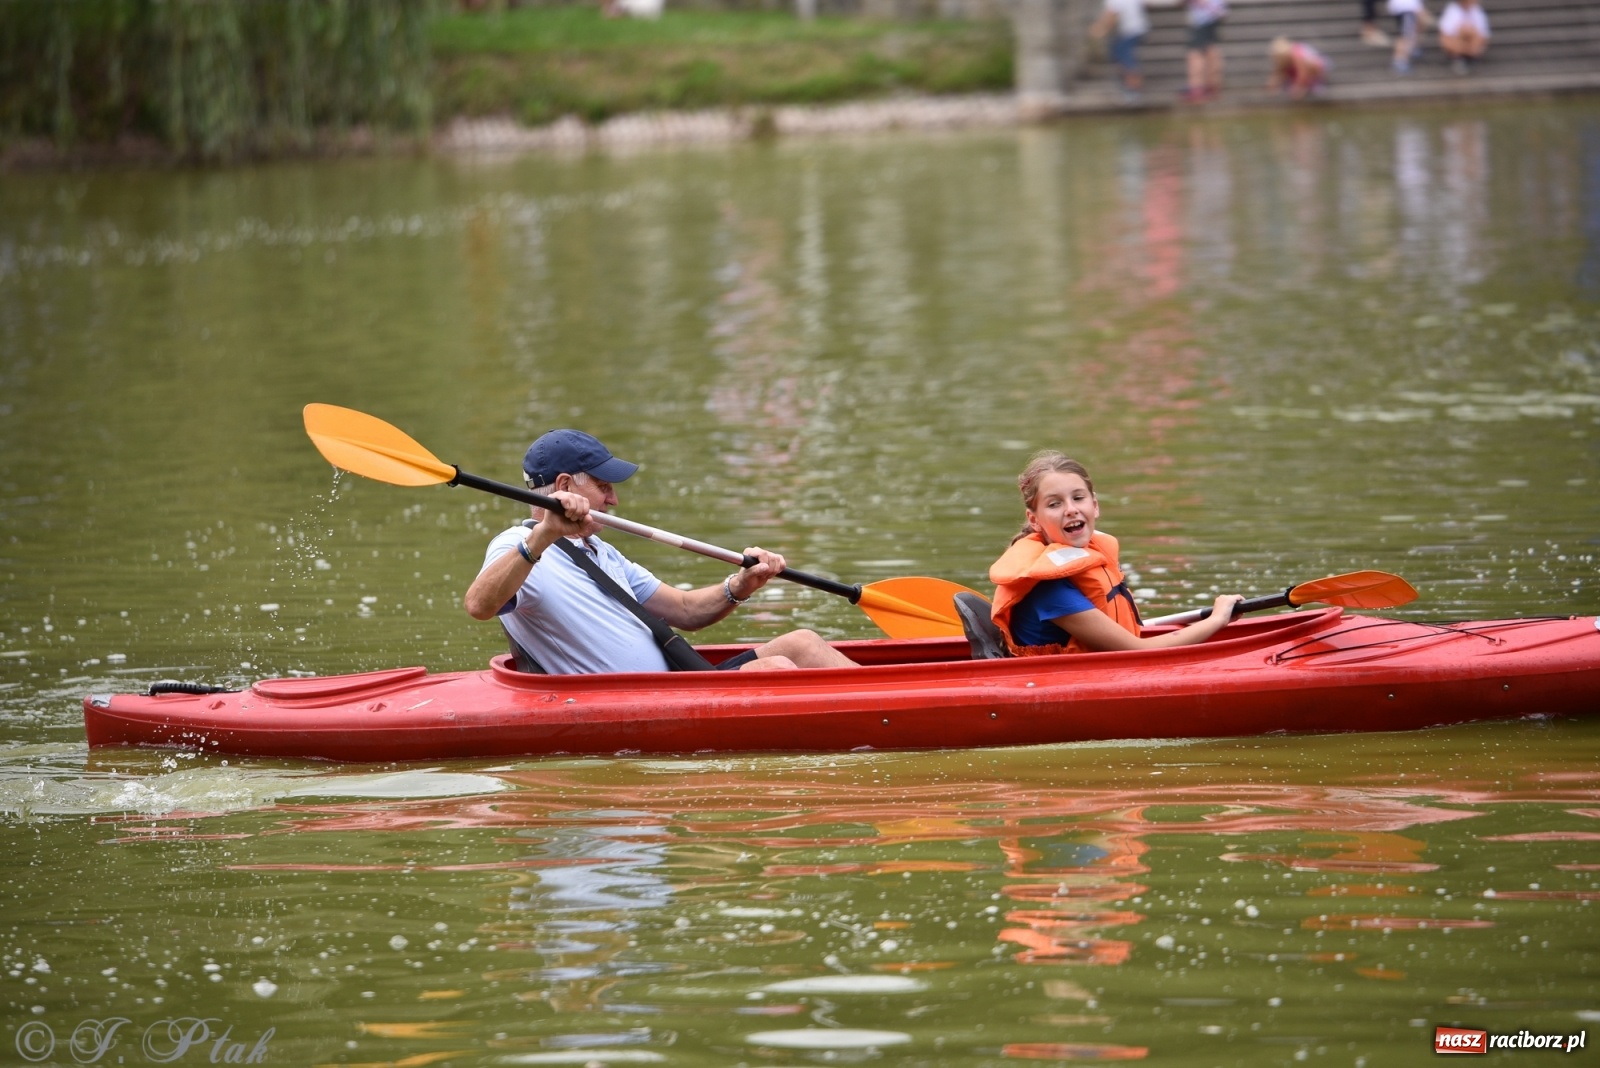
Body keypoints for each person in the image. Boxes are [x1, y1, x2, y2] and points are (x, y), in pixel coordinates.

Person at [463, 429, 858, 674]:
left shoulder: (601, 552)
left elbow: (685, 611)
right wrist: (544, 535)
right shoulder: (515, 545)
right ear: (566, 485)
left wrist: (741, 585)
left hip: (677, 685)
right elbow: (479, 605)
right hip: (626, 706)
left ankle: (887, 706)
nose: (614, 500)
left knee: (803, 643)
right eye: (604, 487)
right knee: (776, 669)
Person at [988, 451, 1244, 655]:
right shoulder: (1049, 589)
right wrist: (1216, 621)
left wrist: (1207, 621)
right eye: (1055, 504)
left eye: (1078, 498)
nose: (1071, 509)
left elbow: (1129, 634)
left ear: (1095, 505)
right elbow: (1138, 651)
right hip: (1055, 681)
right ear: (1034, 520)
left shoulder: (1086, 559)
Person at [1090, 0, 1149, 102]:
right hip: (1138, 28)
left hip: (1131, 31)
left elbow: (1111, 17)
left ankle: (1133, 89)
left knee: (1124, 57)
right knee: (1118, 52)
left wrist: (1100, 30)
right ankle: (1130, 87)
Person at [1181, 0, 1227, 103]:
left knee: (1196, 56)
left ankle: (1198, 88)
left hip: (1204, 21)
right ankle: (1210, 87)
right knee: (1211, 53)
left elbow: (1220, 11)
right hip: (1206, 20)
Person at [1438, 0, 1489, 73]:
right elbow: (1445, 36)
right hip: (1456, 42)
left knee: (1472, 33)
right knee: (1462, 31)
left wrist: (1473, 46)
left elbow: (1483, 35)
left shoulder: (1478, 11)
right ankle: (1460, 58)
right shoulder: (1452, 11)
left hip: (1472, 44)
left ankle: (1470, 58)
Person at [1386, 0, 1430, 74]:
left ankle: (1411, 50)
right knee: (1406, 36)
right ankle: (1399, 60)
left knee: (1409, 33)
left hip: (1407, 8)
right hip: (1406, 8)